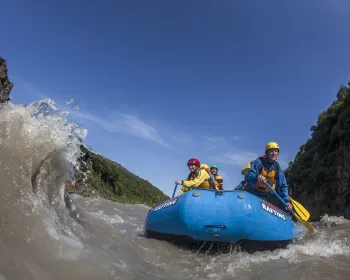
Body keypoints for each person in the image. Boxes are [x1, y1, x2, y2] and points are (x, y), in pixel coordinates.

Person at [244, 142, 293, 211]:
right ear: (267, 152)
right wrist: (257, 177)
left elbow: (282, 185)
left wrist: (287, 201)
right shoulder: (259, 162)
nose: (274, 153)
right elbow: (248, 176)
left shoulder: (277, 167)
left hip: (264, 195)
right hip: (252, 192)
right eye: (271, 151)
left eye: (276, 151)